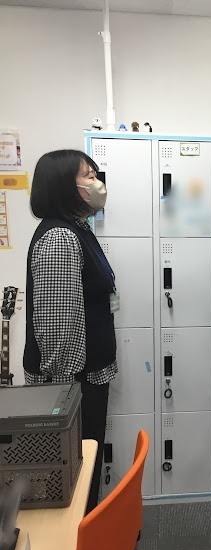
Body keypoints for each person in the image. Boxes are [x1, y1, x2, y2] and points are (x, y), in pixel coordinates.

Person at [23, 149, 118, 514]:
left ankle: (85, 536)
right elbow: (57, 325)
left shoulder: (77, 229)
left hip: (84, 378)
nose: (97, 183)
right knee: (74, 477)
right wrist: (64, 396)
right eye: (88, 176)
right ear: (64, 186)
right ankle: (78, 544)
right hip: (72, 385)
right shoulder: (60, 238)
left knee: (85, 472)